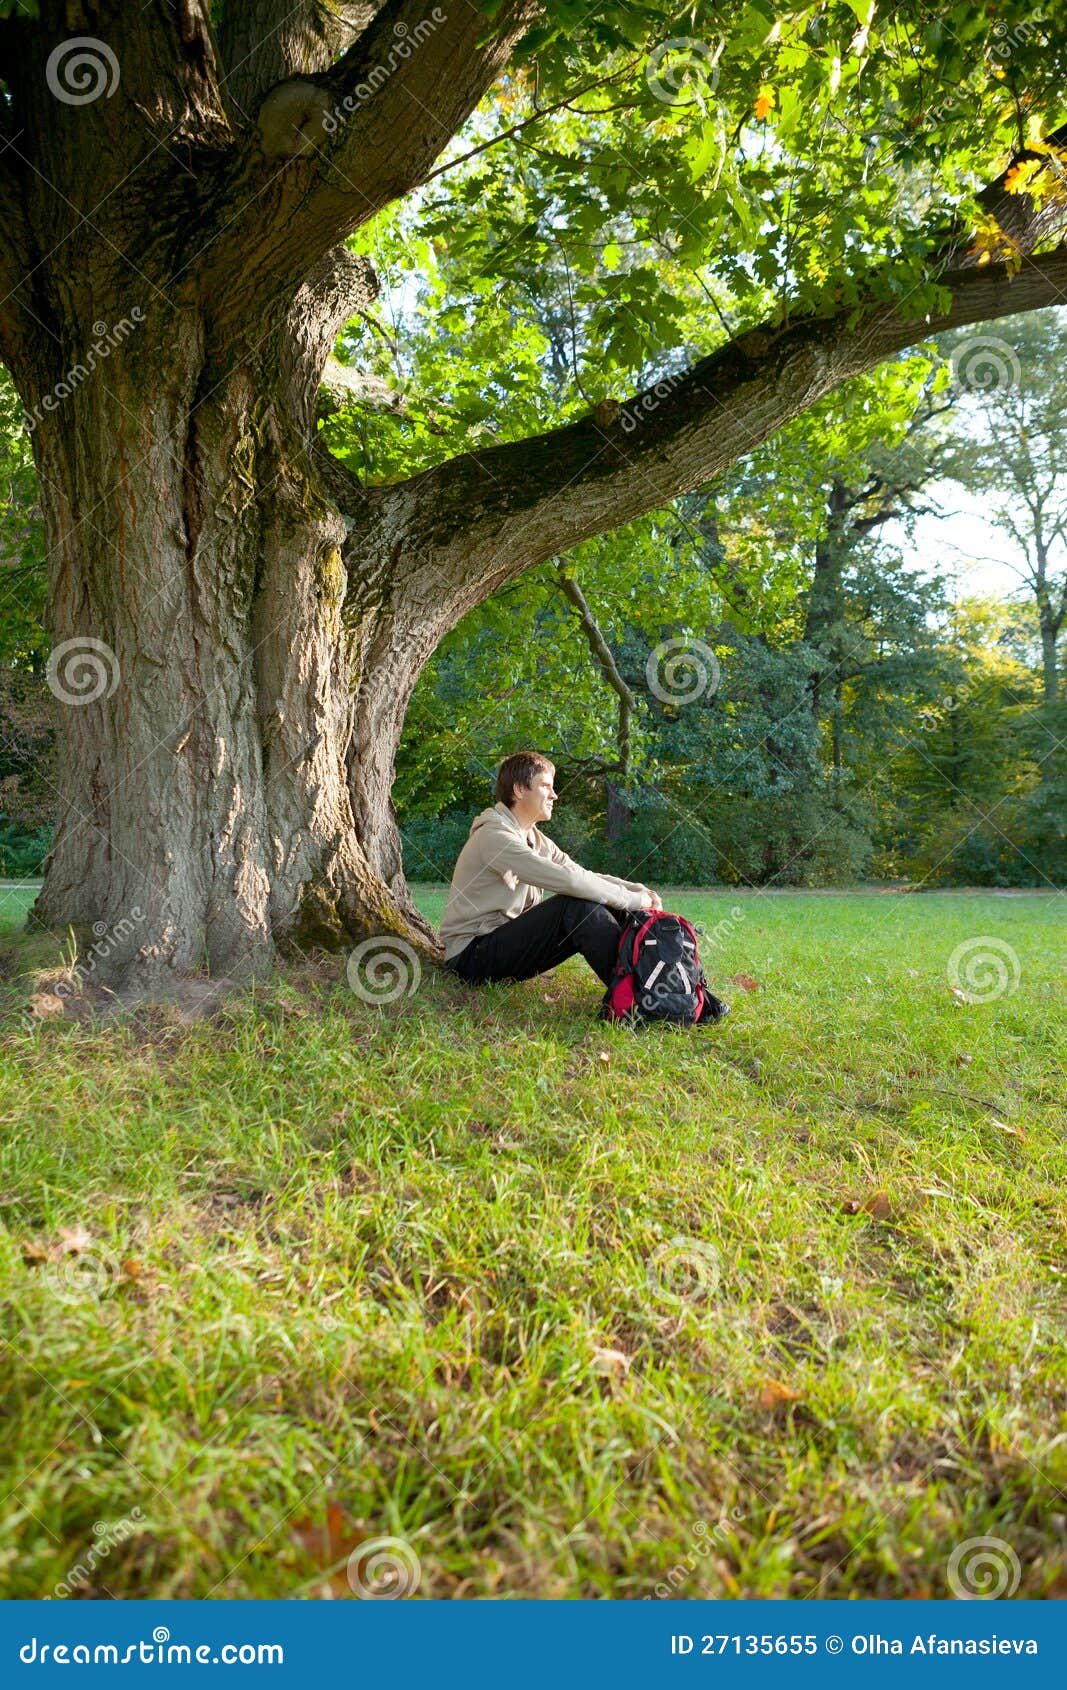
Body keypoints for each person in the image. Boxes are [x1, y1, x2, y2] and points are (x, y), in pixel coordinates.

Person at [440, 751, 662, 992]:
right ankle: (638, 995)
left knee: (602, 902)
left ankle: (663, 987)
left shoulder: (536, 839)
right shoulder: (494, 836)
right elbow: (570, 881)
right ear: (519, 790)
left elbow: (581, 874)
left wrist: (638, 891)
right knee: (577, 906)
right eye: (546, 786)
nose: (554, 795)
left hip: (501, 945)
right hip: (471, 957)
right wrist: (632, 900)